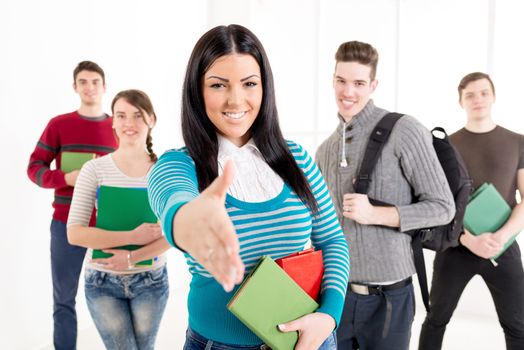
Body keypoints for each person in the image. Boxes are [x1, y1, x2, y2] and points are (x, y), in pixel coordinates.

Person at [147, 24, 350, 350]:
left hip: (308, 340)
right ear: (197, 91)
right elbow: (176, 207)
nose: (235, 99)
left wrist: (328, 316)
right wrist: (186, 223)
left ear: (264, 88)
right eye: (218, 85)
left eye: (249, 84)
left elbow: (332, 240)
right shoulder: (178, 165)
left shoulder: (296, 157)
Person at [315, 40, 455, 350]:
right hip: (337, 296)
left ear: (373, 85)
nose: (347, 92)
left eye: (358, 83)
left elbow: (443, 207)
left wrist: (377, 214)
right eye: (341, 81)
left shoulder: (404, 130)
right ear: (332, 80)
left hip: (389, 296)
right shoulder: (323, 151)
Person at [418, 72, 524, 350]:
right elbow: (437, 201)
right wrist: (468, 239)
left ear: (494, 96)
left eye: (484, 92)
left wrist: (500, 238)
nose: (478, 99)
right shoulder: (445, 146)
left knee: (518, 325)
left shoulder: (518, 141)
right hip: (455, 245)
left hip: (504, 245)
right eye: (470, 95)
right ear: (460, 101)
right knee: (435, 319)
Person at [67, 89, 170, 350]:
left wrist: (132, 256)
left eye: (137, 115)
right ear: (112, 121)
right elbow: (75, 233)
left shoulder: (165, 170)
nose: (129, 123)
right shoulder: (95, 169)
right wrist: (132, 238)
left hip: (151, 280)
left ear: (152, 120)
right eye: (121, 115)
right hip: (102, 282)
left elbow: (176, 233)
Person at [26, 61, 117, 350]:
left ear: (104, 87)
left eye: (94, 81)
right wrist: (67, 177)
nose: (89, 87)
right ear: (74, 86)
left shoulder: (119, 125)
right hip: (66, 224)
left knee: (114, 296)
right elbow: (34, 168)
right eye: (83, 81)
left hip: (109, 224)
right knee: (64, 300)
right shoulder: (59, 125)